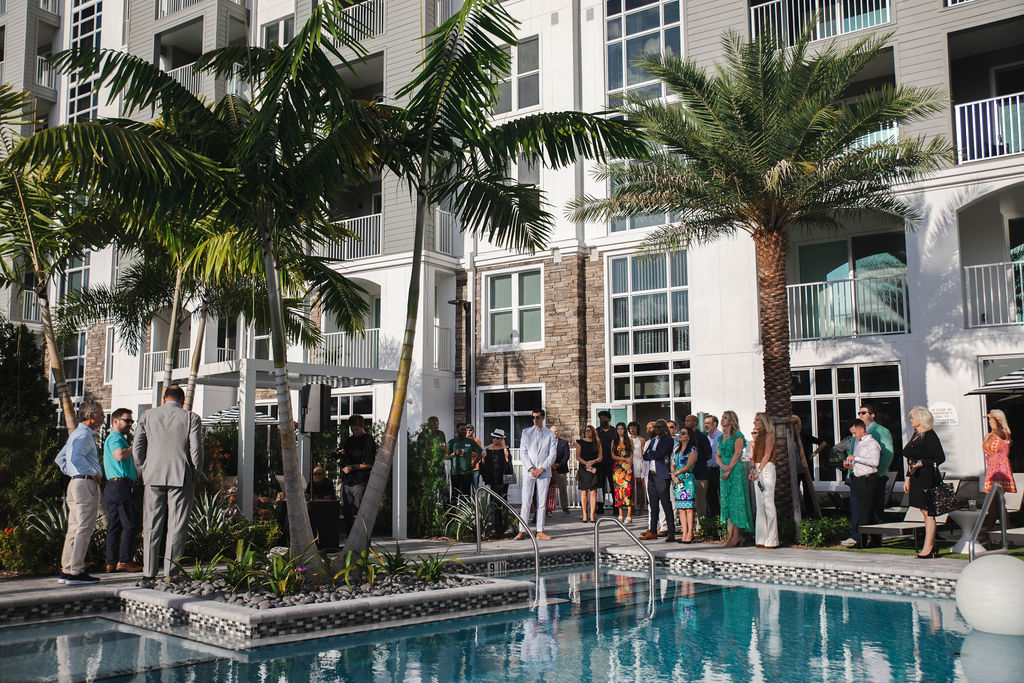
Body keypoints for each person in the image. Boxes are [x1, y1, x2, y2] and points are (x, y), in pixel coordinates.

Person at [133, 385, 203, 579]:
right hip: (180, 475)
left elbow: (137, 446)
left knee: (151, 524)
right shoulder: (191, 418)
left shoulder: (148, 416)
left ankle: (148, 572)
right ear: (182, 400)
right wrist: (195, 473)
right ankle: (171, 572)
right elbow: (196, 450)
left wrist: (142, 469)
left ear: (164, 399)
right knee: (177, 525)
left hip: (152, 474)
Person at [55, 399, 106, 585]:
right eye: (100, 414)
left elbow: (60, 458)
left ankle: (67, 569)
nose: (102, 417)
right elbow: (75, 456)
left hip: (75, 484)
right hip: (84, 485)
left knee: (74, 528)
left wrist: (72, 473)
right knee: (84, 528)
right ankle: (76, 571)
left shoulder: (75, 434)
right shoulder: (85, 435)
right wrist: (91, 473)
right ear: (90, 416)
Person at [903, 406, 946, 559]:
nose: (911, 420)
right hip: (916, 477)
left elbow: (940, 458)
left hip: (927, 477)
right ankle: (929, 545)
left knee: (928, 512)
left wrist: (922, 463)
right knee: (923, 511)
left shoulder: (929, 435)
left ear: (921, 418)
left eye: (913, 417)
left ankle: (929, 547)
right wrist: (908, 477)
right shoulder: (916, 434)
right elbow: (910, 459)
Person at [103, 408, 142, 573]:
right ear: (115, 421)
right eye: (127, 421)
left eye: (131, 421)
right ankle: (125, 560)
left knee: (115, 525)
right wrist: (134, 446)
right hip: (120, 486)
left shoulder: (114, 438)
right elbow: (119, 455)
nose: (130, 424)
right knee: (130, 523)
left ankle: (111, 562)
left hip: (114, 487)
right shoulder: (116, 438)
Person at [515, 409, 557, 540]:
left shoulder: (550, 434)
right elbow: (523, 452)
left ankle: (540, 530)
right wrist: (531, 468)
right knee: (526, 501)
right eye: (533, 417)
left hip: (544, 473)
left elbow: (552, 454)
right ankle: (522, 530)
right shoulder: (526, 432)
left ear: (543, 418)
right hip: (529, 472)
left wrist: (542, 468)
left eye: (538, 417)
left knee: (541, 502)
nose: (535, 420)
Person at [718, 410, 753, 547]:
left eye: (725, 418)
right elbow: (718, 455)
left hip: (735, 471)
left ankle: (737, 535)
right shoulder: (721, 438)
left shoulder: (737, 435)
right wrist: (722, 466)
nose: (722, 419)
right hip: (724, 470)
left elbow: (738, 453)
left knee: (736, 502)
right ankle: (730, 534)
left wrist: (729, 469)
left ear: (731, 420)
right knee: (726, 502)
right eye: (722, 417)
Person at [336, 414, 376, 532]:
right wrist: (342, 455)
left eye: (357, 429)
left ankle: (362, 536)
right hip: (347, 480)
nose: (355, 432)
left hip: (360, 481)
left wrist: (353, 467)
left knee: (361, 511)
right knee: (346, 511)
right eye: (352, 430)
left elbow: (369, 463)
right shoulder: (349, 440)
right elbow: (345, 457)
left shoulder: (368, 441)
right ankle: (350, 535)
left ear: (362, 426)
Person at [845, 419, 881, 548]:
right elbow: (861, 461)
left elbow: (875, 461)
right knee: (866, 510)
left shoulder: (872, 443)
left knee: (865, 511)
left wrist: (856, 458)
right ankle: (873, 539)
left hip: (868, 479)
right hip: (859, 478)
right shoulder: (859, 443)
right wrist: (851, 465)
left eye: (855, 433)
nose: (854, 436)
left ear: (861, 429)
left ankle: (862, 541)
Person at [639, 420, 676, 543]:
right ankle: (652, 530)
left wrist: (653, 454)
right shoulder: (653, 441)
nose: (656, 429)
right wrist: (654, 454)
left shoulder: (668, 440)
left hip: (662, 475)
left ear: (665, 428)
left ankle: (671, 531)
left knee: (666, 503)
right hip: (652, 475)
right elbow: (645, 456)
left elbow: (661, 453)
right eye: (655, 427)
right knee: (653, 504)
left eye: (659, 427)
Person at [861, 404, 894, 542]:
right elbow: (853, 451)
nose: (860, 415)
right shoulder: (859, 431)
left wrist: (878, 472)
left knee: (876, 508)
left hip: (876, 476)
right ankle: (861, 537)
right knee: (863, 508)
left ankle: (876, 538)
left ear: (872, 415)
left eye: (863, 412)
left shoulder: (881, 431)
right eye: (859, 413)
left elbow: (888, 454)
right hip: (860, 477)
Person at [749, 412, 778, 549]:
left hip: (766, 468)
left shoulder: (769, 435)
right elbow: (754, 456)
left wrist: (759, 470)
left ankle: (772, 538)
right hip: (758, 469)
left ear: (764, 422)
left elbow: (767, 455)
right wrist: (753, 470)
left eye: (757, 420)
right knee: (760, 504)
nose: (755, 422)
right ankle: (761, 537)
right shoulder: (758, 436)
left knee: (768, 503)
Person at [479, 429, 512, 537]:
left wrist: (504, 449)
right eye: (494, 437)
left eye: (498, 438)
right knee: (493, 502)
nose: (495, 440)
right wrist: (483, 459)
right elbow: (485, 466)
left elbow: (508, 463)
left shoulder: (505, 449)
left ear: (502, 439)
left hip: (503, 480)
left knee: (503, 501)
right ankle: (495, 526)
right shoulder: (488, 448)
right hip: (493, 479)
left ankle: (504, 525)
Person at [671, 427, 698, 543]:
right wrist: (673, 475)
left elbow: (688, 465)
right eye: (680, 433)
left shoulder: (693, 450)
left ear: (688, 436)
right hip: (677, 480)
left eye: (683, 433)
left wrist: (675, 473)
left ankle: (690, 533)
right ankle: (684, 532)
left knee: (688, 508)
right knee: (681, 508)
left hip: (687, 480)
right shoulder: (676, 449)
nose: (680, 435)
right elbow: (672, 464)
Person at [685, 415, 711, 525]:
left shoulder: (701, 437)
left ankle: (701, 527)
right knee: (688, 502)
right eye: (685, 420)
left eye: (688, 420)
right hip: (687, 475)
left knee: (700, 502)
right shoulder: (686, 437)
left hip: (700, 474)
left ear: (695, 422)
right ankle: (688, 526)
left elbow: (708, 454)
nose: (686, 422)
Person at [983, 409, 1014, 494]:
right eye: (990, 419)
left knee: (998, 494)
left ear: (999, 420)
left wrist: (992, 417)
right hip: (992, 467)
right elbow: (986, 448)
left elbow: (995, 429)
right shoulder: (989, 436)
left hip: (1001, 467)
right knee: (992, 495)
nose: (990, 421)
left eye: (992, 419)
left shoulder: (1004, 434)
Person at [446, 423, 481, 501]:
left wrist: (474, 463)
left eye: (465, 430)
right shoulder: (452, 442)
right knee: (455, 495)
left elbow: (480, 452)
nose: (464, 431)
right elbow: (446, 456)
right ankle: (453, 512)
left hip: (467, 473)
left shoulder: (470, 441)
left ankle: (465, 512)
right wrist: (455, 454)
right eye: (462, 429)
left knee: (466, 495)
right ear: (457, 431)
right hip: (455, 473)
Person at [576, 425, 603, 523]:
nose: (588, 432)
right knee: (584, 492)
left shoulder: (597, 443)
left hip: (594, 468)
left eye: (590, 431)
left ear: (593, 432)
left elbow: (600, 457)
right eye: (586, 431)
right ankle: (584, 514)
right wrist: (586, 464)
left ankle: (592, 515)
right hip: (584, 468)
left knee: (593, 492)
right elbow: (577, 457)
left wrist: (592, 462)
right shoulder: (580, 442)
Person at [609, 422, 633, 523]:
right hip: (617, 468)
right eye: (618, 429)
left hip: (627, 467)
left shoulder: (629, 441)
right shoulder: (614, 442)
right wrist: (623, 458)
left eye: (622, 429)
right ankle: (620, 514)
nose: (620, 431)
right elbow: (613, 456)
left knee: (628, 489)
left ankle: (629, 514)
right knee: (618, 491)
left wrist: (629, 467)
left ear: (625, 430)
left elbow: (631, 455)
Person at [595, 410, 617, 514]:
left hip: (612, 462)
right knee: (600, 486)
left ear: (608, 419)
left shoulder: (614, 431)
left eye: (604, 418)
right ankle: (600, 507)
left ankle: (616, 507)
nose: (602, 420)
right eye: (600, 418)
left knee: (613, 485)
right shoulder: (597, 431)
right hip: (600, 463)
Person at [704, 415, 723, 517]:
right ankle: (714, 520)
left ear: (715, 424)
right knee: (711, 497)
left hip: (719, 470)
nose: (705, 425)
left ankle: (723, 521)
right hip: (708, 470)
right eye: (705, 423)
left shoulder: (721, 436)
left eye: (708, 423)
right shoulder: (706, 438)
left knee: (722, 495)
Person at [550, 426, 572, 514]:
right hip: (549, 469)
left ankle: (565, 507)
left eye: (556, 431)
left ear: (558, 432)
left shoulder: (564, 443)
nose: (554, 433)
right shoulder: (547, 443)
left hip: (561, 469)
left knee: (563, 489)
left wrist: (559, 464)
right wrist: (551, 465)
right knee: (549, 490)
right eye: (552, 432)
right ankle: (549, 509)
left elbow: (566, 456)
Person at [627, 421, 647, 515]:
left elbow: (643, 452)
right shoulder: (627, 439)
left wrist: (644, 465)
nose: (632, 429)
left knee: (639, 486)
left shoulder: (641, 439)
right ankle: (632, 506)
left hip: (639, 462)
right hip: (630, 463)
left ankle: (641, 506)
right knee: (630, 486)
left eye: (634, 427)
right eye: (630, 428)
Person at [466, 424, 483, 489]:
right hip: (465, 467)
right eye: (466, 430)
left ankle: (475, 499)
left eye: (470, 430)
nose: (468, 432)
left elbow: (479, 453)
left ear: (473, 431)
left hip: (475, 467)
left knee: (475, 485)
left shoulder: (477, 441)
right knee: (466, 486)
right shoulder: (462, 440)